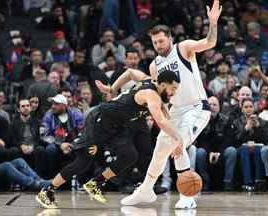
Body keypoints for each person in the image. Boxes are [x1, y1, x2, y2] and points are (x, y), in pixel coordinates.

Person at [102, 0, 222, 208]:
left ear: (170, 39)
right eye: (155, 42)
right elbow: (160, 98)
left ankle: (187, 196)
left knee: (178, 143)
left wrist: (213, 23)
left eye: (161, 41)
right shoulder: (154, 65)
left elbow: (209, 43)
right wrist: (166, 119)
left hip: (196, 108)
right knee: (160, 148)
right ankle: (146, 190)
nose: (158, 45)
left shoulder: (183, 48)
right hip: (175, 111)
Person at [36, 70, 181, 209]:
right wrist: (177, 140)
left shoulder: (148, 82)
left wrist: (112, 88)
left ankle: (97, 182)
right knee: (82, 162)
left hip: (117, 126)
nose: (174, 92)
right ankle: (46, 191)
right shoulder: (151, 95)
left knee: (129, 155)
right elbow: (161, 121)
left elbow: (130, 72)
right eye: (173, 88)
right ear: (163, 85)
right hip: (100, 120)